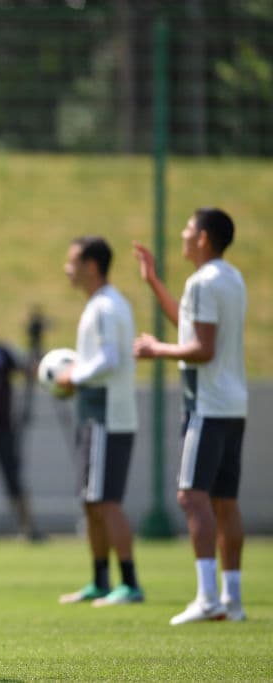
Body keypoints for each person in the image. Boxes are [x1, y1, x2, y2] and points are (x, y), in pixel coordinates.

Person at [133, 208, 247, 625]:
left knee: (191, 496)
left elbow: (201, 348)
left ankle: (206, 599)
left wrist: (155, 350)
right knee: (225, 503)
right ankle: (231, 600)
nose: (182, 234)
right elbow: (192, 327)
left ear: (203, 238)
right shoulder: (230, 277)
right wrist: (153, 282)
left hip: (207, 405)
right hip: (233, 404)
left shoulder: (202, 282)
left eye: (188, 228)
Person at [55, 236, 144, 607]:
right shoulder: (99, 305)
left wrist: (73, 375)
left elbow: (109, 359)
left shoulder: (107, 306)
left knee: (106, 501)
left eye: (72, 261)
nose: (67, 268)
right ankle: (100, 580)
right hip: (95, 416)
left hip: (109, 416)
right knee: (92, 501)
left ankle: (129, 583)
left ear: (91, 265)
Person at [0, 339, 43, 541]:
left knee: (13, 480)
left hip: (3, 428)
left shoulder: (1, 351)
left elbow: (26, 370)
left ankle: (28, 528)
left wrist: (40, 364)